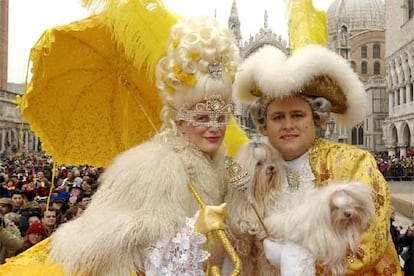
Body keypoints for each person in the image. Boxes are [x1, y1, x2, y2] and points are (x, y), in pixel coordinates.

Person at [0, 15, 241, 276]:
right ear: (179, 119)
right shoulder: (150, 166)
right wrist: (193, 235)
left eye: (222, 116)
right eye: (203, 117)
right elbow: (106, 253)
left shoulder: (227, 168)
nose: (215, 127)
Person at [227, 4, 402, 273]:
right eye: (277, 117)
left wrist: (298, 259)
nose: (287, 125)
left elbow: (369, 239)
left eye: (297, 115)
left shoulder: (353, 164)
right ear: (263, 124)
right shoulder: (255, 169)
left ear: (316, 118)